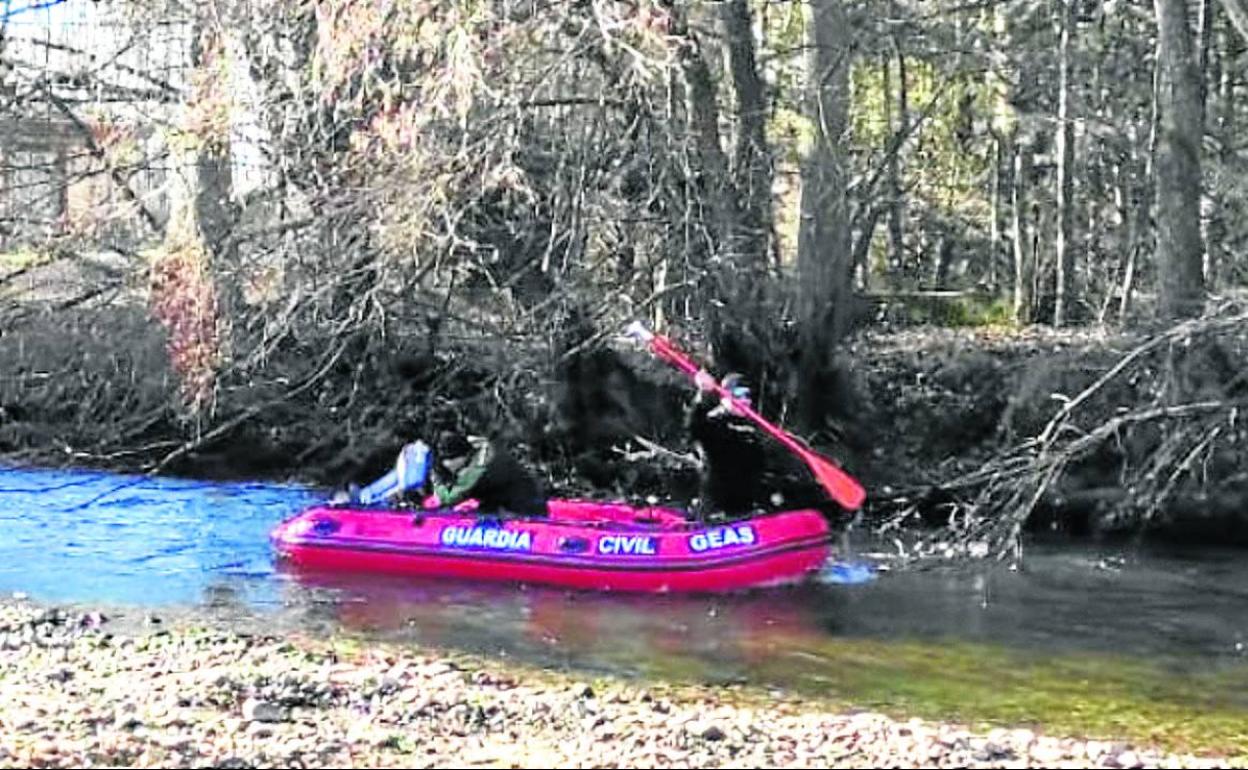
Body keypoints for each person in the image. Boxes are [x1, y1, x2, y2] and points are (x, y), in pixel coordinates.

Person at [412, 431, 548, 519]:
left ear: (462, 457)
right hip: (503, 499)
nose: (446, 464)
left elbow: (448, 498)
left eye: (448, 460)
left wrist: (435, 477)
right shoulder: (477, 445)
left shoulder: (477, 471)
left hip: (522, 510)